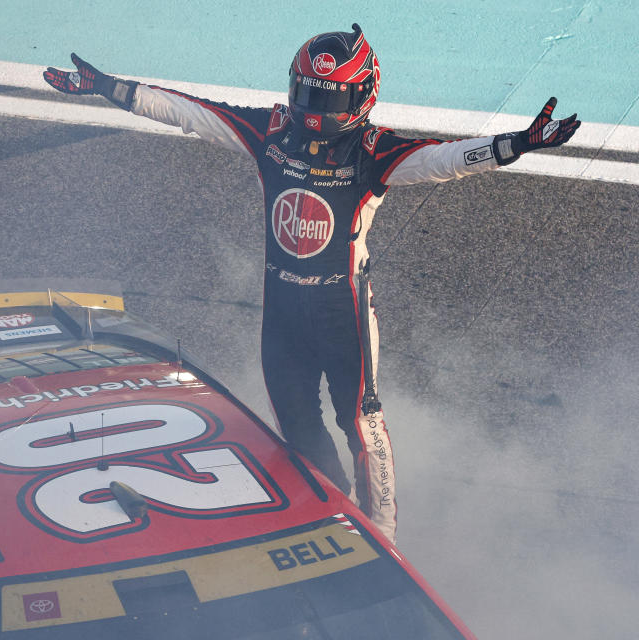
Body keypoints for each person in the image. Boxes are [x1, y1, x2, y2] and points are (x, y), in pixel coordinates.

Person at [42, 24, 580, 544]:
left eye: (329, 101)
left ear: (363, 97)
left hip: (342, 312)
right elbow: (190, 113)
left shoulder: (374, 152)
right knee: (296, 428)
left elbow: (443, 159)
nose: (314, 113)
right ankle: (331, 514)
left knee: (362, 426)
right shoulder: (272, 130)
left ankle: (384, 538)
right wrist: (108, 87)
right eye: (307, 95)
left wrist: (516, 145)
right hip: (282, 310)